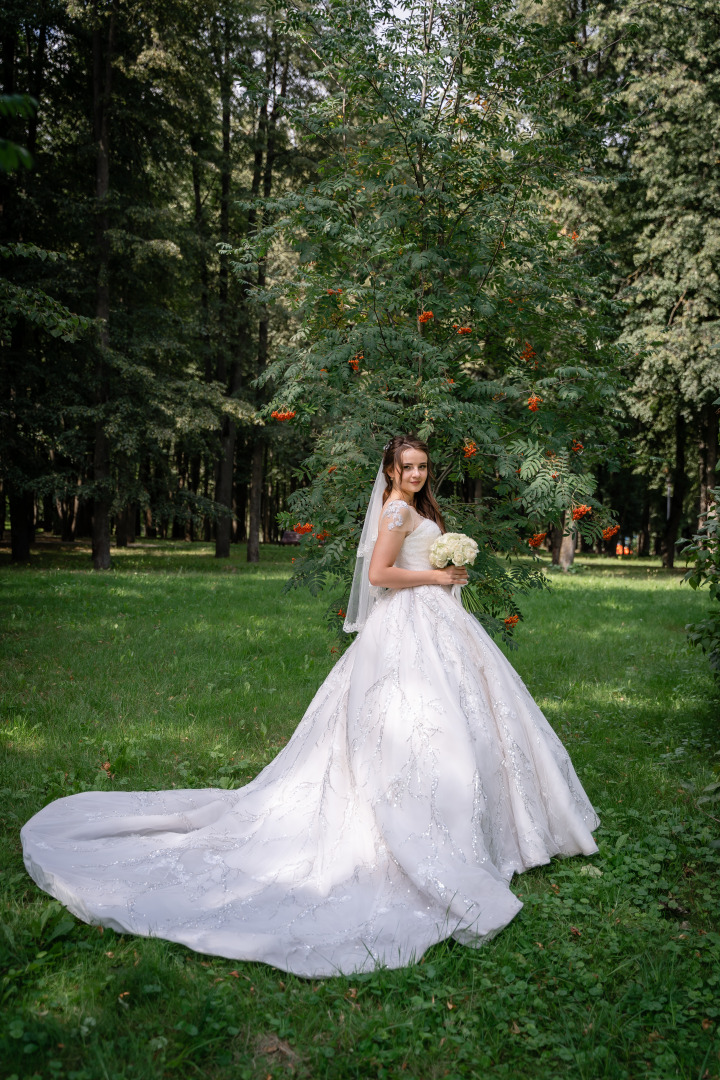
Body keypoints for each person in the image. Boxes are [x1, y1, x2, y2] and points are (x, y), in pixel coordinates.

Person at [21, 435, 599, 978]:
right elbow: (379, 575)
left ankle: (487, 824)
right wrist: (438, 575)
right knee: (425, 724)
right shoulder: (397, 511)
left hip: (434, 625)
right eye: (408, 468)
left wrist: (443, 576)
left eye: (423, 467)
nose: (417, 475)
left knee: (458, 720)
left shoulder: (410, 508)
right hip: (413, 622)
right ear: (391, 472)